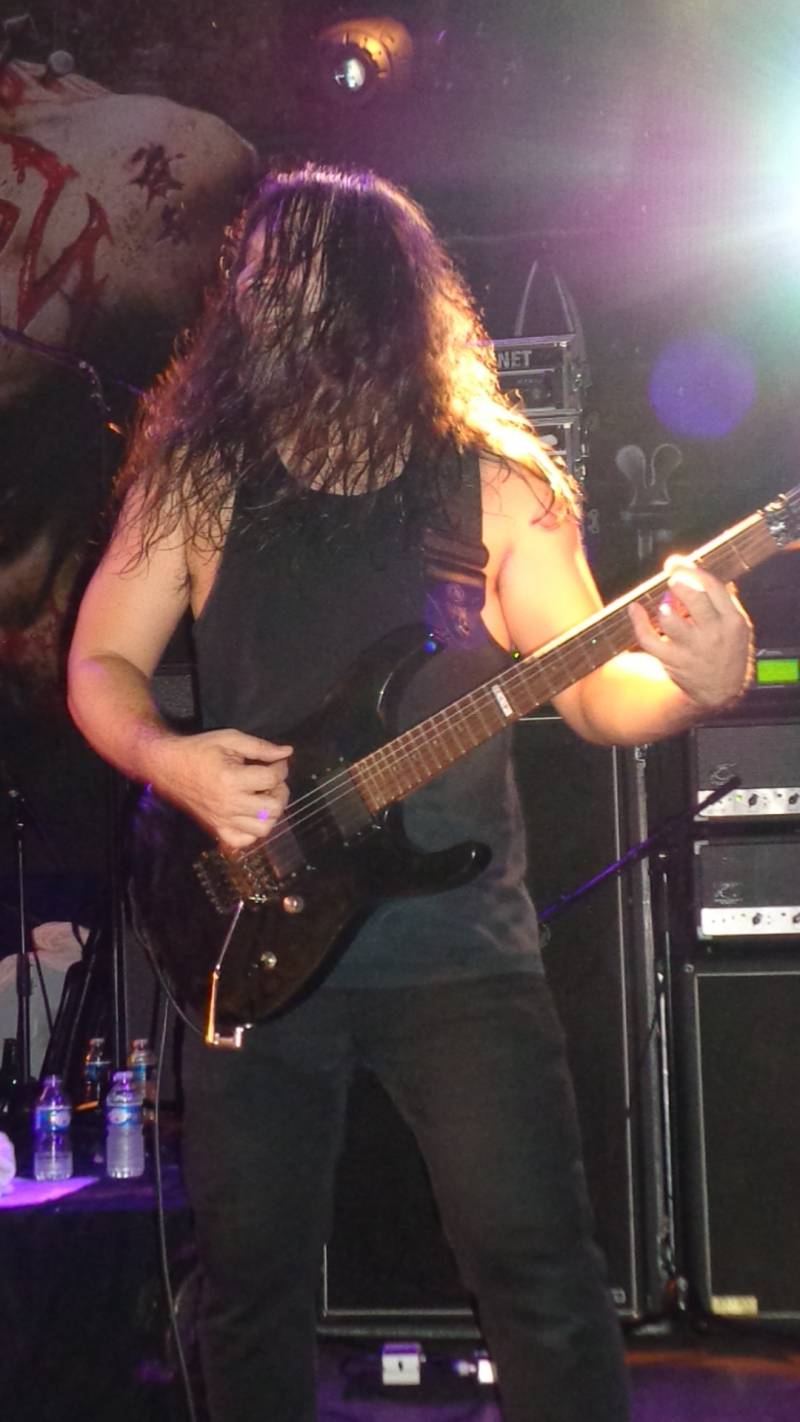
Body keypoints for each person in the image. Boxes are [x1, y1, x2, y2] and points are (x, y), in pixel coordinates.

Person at [67, 164, 752, 1422]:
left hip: (458, 957)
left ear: (384, 296)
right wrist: (169, 759)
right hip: (246, 938)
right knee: (250, 1291)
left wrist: (692, 684)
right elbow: (100, 662)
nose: (269, 300)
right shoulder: (202, 477)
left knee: (539, 1276)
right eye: (258, 275)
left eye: (302, 275)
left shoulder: (493, 484)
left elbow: (594, 695)